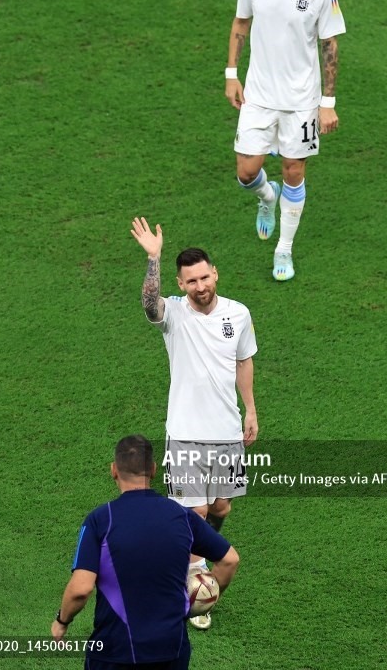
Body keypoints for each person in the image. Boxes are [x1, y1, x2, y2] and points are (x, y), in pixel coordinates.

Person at [130, 217, 257, 628]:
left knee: (221, 506)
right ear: (181, 285)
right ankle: (194, 579)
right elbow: (150, 304)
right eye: (191, 281)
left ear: (214, 273)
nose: (200, 286)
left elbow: (243, 360)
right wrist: (154, 259)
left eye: (204, 277)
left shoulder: (238, 315)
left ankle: (193, 552)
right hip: (185, 433)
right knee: (197, 511)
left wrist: (250, 409)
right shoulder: (174, 315)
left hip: (226, 432)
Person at [51, 435, 239, 669]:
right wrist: (205, 598)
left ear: (114, 471)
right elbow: (230, 560)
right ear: (152, 470)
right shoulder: (182, 516)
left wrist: (62, 621)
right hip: (171, 650)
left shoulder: (100, 520)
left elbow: (81, 589)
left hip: (115, 652)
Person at [225, 0, 346, 281]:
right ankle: (266, 196)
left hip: (300, 101)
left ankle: (284, 249)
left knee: (294, 171)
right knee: (246, 172)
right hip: (259, 95)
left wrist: (328, 102)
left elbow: (330, 45)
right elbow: (240, 23)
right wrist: (232, 74)